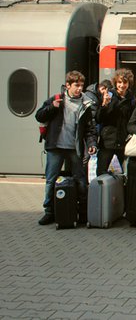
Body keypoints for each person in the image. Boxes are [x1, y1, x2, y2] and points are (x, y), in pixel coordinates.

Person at [35, 71, 98, 226]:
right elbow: (39, 116)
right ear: (68, 85)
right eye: (76, 85)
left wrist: (91, 144)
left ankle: (82, 213)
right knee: (50, 180)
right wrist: (51, 107)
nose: (79, 89)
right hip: (55, 146)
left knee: (81, 180)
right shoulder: (56, 100)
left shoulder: (86, 103)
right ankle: (49, 212)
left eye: (81, 85)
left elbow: (90, 128)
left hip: (74, 148)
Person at [96, 69, 135, 175]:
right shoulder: (108, 96)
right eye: (119, 82)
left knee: (128, 174)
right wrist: (104, 105)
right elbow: (98, 118)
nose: (122, 85)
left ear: (129, 84)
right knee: (101, 173)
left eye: (125, 82)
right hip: (107, 142)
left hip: (124, 142)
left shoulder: (132, 100)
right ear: (115, 83)